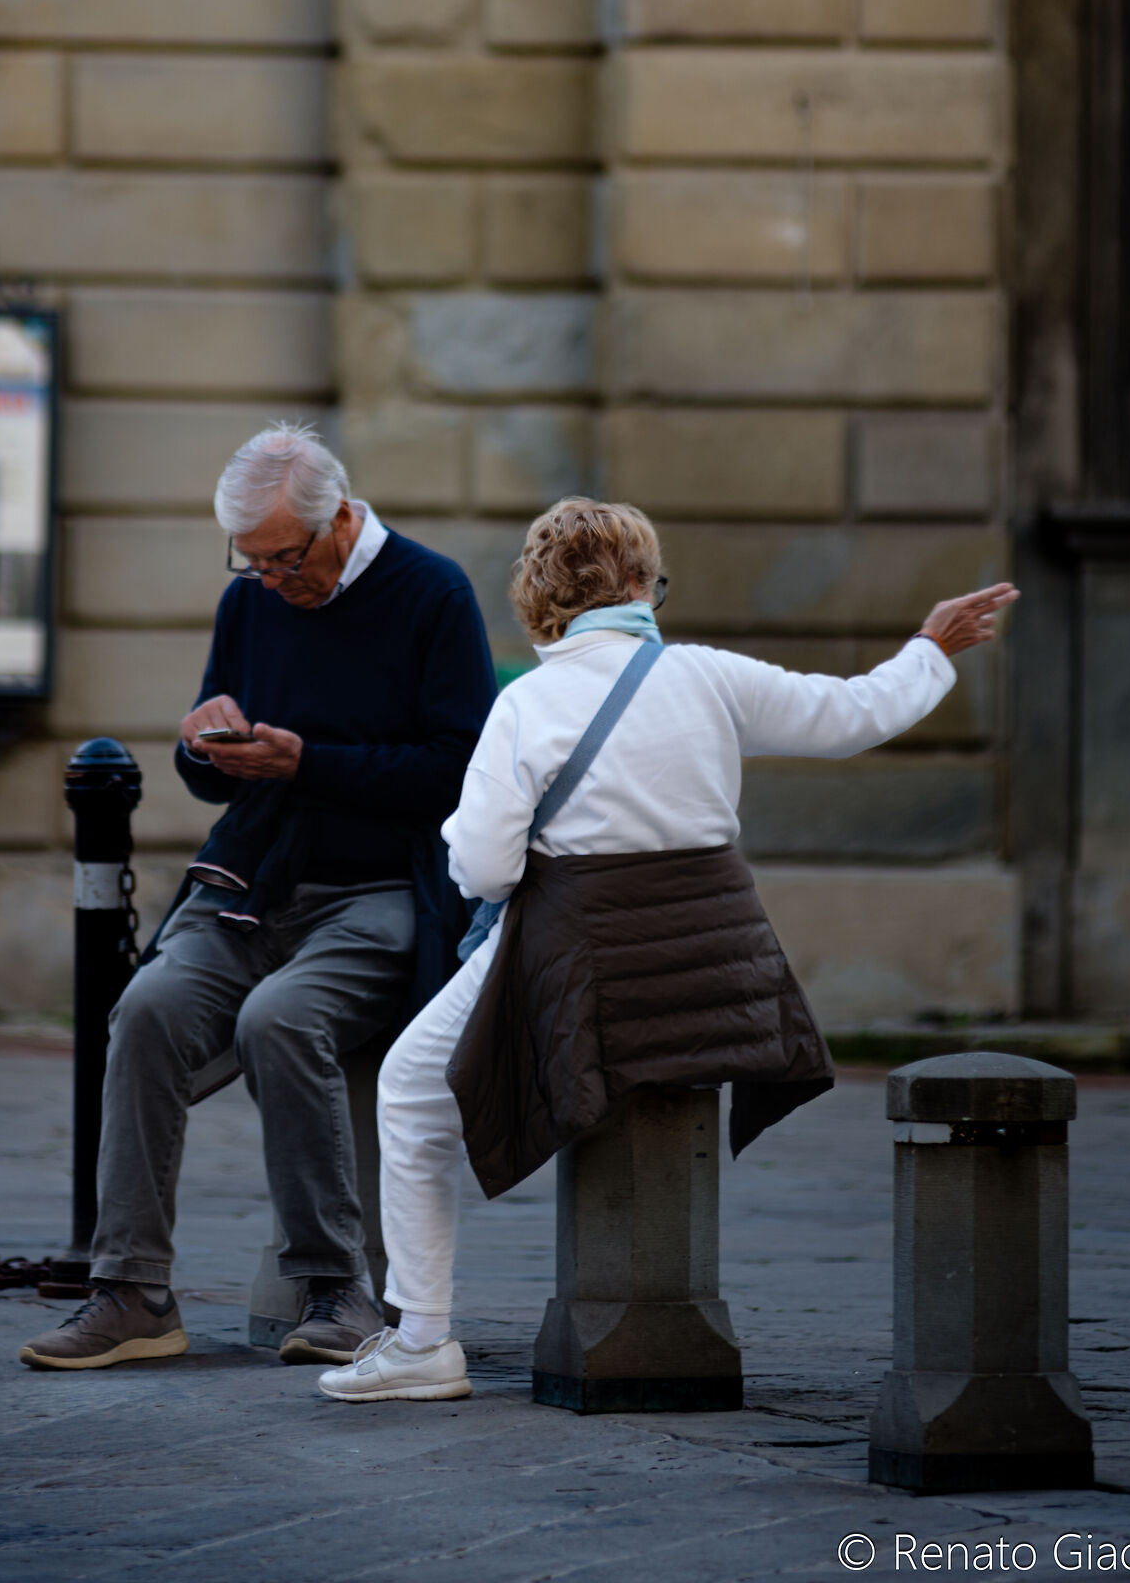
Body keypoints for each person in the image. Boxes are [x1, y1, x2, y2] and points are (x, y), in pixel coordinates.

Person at [317, 495, 1018, 1406]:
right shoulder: (708, 677)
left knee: (413, 1085)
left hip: (588, 964)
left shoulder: (525, 704)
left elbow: (484, 868)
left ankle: (421, 1340)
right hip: (717, 973)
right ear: (644, 586)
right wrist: (930, 646)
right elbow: (852, 716)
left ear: (540, 601)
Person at [19, 422, 496, 1375]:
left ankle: (337, 1290)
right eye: (253, 565)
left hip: (381, 888)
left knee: (283, 1018)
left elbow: (460, 771)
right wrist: (205, 747)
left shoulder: (432, 592)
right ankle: (132, 1294)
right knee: (148, 1007)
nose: (272, 581)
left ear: (341, 520)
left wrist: (309, 763)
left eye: (286, 561)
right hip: (254, 882)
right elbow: (217, 773)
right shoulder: (252, 600)